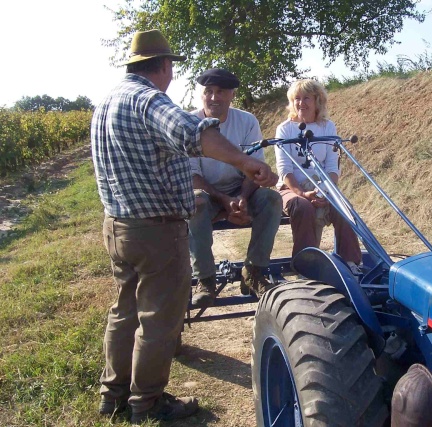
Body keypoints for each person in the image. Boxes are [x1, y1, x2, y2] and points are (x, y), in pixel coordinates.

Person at [91, 29, 277, 424]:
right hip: (154, 230)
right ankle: (148, 402)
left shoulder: (107, 100)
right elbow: (194, 134)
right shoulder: (147, 100)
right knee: (160, 319)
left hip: (118, 224)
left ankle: (114, 396)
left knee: (124, 312)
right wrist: (247, 163)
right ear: (164, 66)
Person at [188, 68, 282, 303]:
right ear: (202, 95)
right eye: (208, 91)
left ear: (231, 95)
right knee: (195, 202)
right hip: (208, 191)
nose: (213, 97)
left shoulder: (247, 121)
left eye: (220, 92)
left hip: (241, 189)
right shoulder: (190, 123)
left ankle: (254, 271)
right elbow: (193, 177)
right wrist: (224, 200)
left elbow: (255, 166)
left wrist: (241, 197)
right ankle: (205, 279)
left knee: (272, 199)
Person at [274, 79, 362, 273]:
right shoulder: (285, 129)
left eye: (306, 98)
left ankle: (351, 263)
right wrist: (302, 194)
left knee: (344, 208)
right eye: (296, 98)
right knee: (303, 207)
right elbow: (284, 169)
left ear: (317, 101)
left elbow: (332, 166)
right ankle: (306, 265)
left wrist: (325, 191)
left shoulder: (327, 127)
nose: (301, 103)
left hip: (321, 186)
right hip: (291, 188)